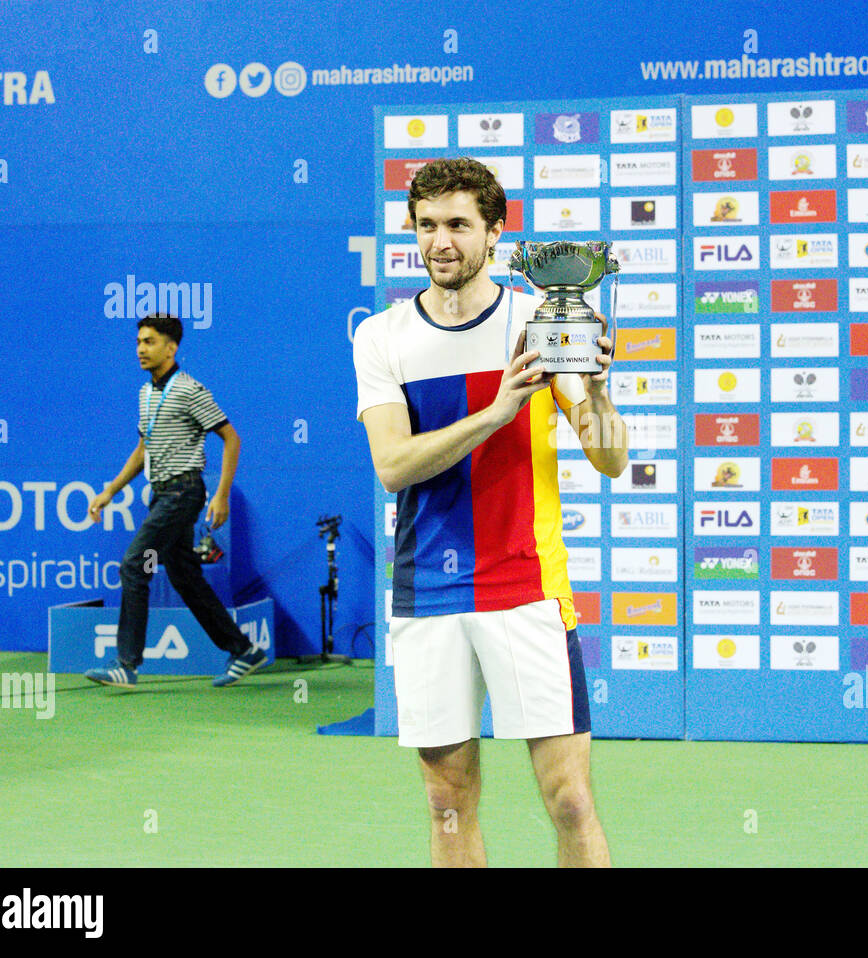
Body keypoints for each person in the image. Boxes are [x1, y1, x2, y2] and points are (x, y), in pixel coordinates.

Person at [353, 157, 628, 867]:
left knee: (568, 799)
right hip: (428, 591)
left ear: (495, 233)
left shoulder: (537, 320)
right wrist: (497, 412)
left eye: (458, 225)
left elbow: (610, 457)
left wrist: (595, 393)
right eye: (426, 226)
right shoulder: (381, 337)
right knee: (448, 805)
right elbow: (393, 466)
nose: (440, 242)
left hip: (527, 585)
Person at [84, 313, 267, 689]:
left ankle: (126, 664)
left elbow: (231, 439)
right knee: (185, 577)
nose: (140, 349)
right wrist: (110, 490)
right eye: (138, 342)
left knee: (135, 565)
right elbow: (143, 449)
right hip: (162, 496)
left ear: (172, 347)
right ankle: (244, 650)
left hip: (184, 493)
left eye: (149, 342)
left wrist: (222, 495)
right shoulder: (145, 392)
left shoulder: (188, 390)